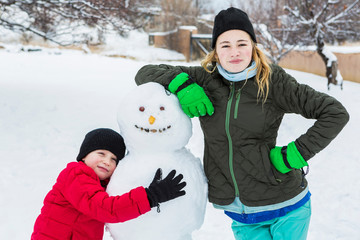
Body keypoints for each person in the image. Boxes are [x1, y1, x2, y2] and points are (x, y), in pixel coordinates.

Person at [134, 7, 349, 240]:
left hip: (286, 207)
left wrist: (294, 155)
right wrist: (183, 85)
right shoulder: (206, 79)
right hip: (241, 214)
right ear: (215, 51)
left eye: (242, 43)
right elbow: (145, 73)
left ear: (253, 45)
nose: (234, 52)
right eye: (225, 45)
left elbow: (335, 112)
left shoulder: (272, 81)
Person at [31, 128, 186, 240]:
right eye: (101, 154)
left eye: (114, 159)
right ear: (84, 155)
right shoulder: (76, 175)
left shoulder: (103, 185)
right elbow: (106, 209)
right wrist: (152, 196)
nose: (107, 161)